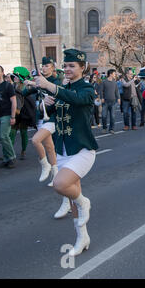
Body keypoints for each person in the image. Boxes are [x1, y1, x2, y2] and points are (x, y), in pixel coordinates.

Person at [33, 49, 99, 256]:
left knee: (61, 184)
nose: (68, 69)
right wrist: (45, 104)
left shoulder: (87, 89)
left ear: (82, 67)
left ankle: (84, 201)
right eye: (66, 65)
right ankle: (82, 238)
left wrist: (50, 86)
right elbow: (47, 114)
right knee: (71, 199)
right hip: (62, 149)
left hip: (82, 149)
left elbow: (77, 100)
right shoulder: (61, 88)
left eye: (72, 66)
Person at [23, 58, 60, 188]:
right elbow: (24, 92)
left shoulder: (55, 81)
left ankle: (45, 164)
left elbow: (55, 91)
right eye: (42, 66)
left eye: (47, 66)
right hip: (40, 117)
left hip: (51, 117)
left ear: (52, 67)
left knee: (35, 140)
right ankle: (56, 175)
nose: (44, 68)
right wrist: (30, 84)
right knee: (50, 148)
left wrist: (36, 84)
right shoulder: (38, 81)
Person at [10, 67, 36, 160]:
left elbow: (28, 100)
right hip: (15, 113)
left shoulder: (26, 86)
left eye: (16, 76)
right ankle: (11, 154)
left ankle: (23, 151)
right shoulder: (12, 86)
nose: (14, 78)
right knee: (11, 133)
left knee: (23, 132)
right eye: (14, 76)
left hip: (23, 113)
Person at [0, 65, 17, 169]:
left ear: (2, 73)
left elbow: (14, 101)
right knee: (2, 139)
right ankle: (6, 159)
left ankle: (11, 157)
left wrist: (13, 117)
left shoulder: (8, 85)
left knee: (4, 136)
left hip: (6, 115)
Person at [100, 69, 120, 134]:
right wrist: (102, 98)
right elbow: (101, 91)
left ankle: (111, 129)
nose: (115, 75)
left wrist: (118, 98)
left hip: (113, 102)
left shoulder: (115, 82)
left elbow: (117, 91)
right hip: (105, 102)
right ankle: (104, 128)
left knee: (113, 116)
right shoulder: (104, 82)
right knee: (104, 116)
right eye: (114, 74)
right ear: (110, 74)